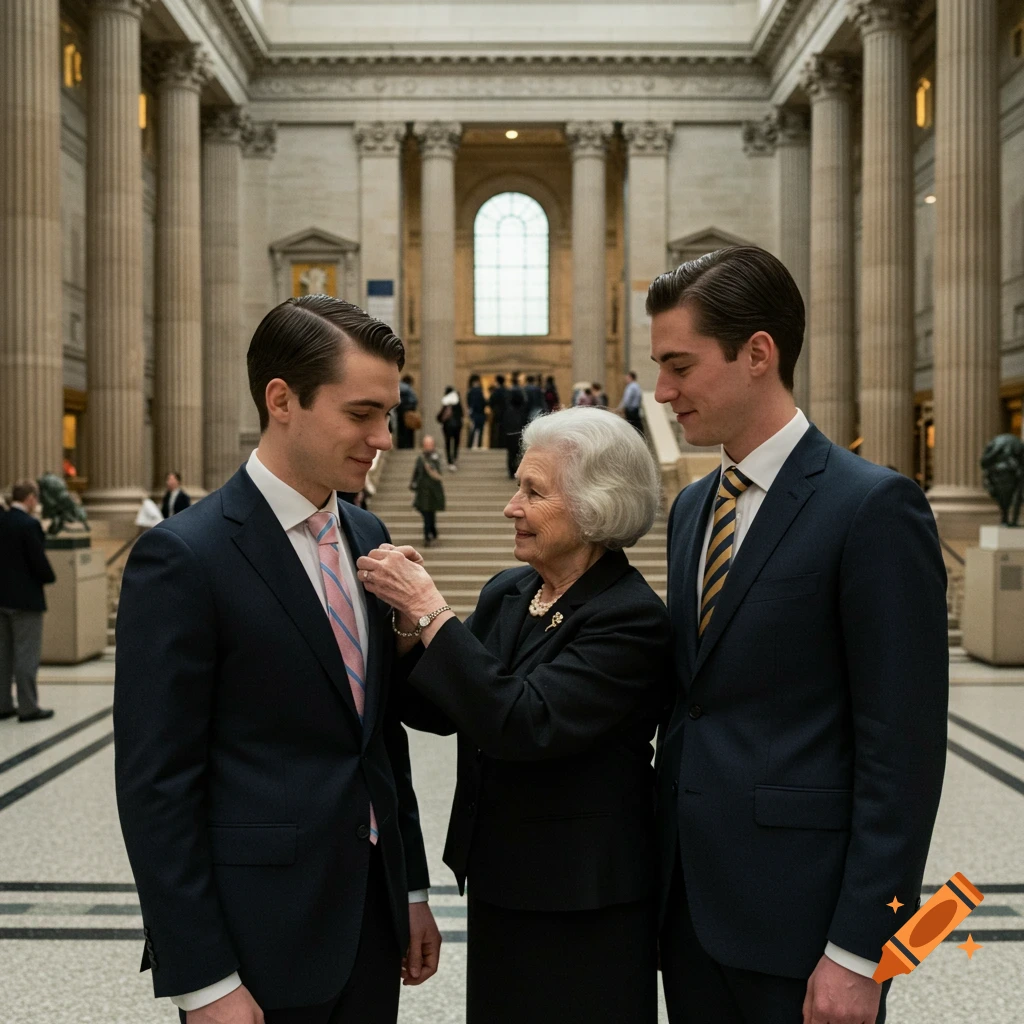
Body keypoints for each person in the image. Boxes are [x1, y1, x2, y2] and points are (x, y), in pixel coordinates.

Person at [114, 296, 441, 1024]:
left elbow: (378, 736)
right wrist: (203, 981)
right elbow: (156, 786)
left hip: (368, 922)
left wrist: (410, 889)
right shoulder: (183, 557)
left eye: (389, 413)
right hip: (254, 941)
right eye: (362, 414)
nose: (384, 436)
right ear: (282, 399)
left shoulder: (367, 531)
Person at [649, 246, 948, 1024]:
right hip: (690, 917)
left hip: (809, 932)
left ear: (757, 354)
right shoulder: (691, 510)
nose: (661, 391)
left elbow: (902, 754)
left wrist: (863, 950)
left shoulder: (874, 507)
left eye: (679, 365)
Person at [356, 407, 671, 1024]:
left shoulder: (630, 618)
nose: (511, 506)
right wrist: (403, 629)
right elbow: (442, 708)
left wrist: (430, 609)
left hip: (586, 901)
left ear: (594, 506)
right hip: (503, 877)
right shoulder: (511, 590)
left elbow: (524, 723)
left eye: (533, 491)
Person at [0, 481, 56, 723]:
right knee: (26, 656)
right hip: (26, 600)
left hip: (1, 599)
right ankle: (28, 707)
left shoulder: (1, 521)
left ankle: (3, 704)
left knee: (3, 656)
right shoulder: (29, 524)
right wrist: (49, 576)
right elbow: (38, 562)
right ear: (31, 498)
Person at [410, 436, 445, 547]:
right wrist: (413, 483)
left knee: (431, 513)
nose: (427, 447)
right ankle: (427, 536)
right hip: (423, 491)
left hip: (433, 490)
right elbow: (416, 471)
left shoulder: (436, 457)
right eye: (426, 444)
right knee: (425, 514)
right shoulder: (420, 458)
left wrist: (431, 465)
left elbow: (439, 472)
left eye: (429, 444)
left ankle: (432, 531)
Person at [502, 386, 528, 479]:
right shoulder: (522, 410)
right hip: (518, 432)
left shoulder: (508, 409)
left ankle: (511, 471)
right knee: (518, 453)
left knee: (511, 453)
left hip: (510, 433)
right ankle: (517, 470)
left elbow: (505, 422)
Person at [437, 386, 463, 470]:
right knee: (456, 443)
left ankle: (450, 461)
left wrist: (440, 418)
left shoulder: (447, 402)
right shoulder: (457, 402)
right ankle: (454, 458)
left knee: (448, 443)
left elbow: (441, 414)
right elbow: (462, 413)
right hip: (457, 425)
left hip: (447, 425)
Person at [396, 374, 419, 449]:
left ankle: (401, 446)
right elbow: (414, 400)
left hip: (399, 411)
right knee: (409, 430)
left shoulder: (398, 388)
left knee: (400, 430)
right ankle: (409, 446)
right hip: (408, 411)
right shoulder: (408, 389)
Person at [466, 375, 487, 449]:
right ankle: (478, 444)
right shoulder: (479, 391)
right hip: (480, 414)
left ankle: (469, 445)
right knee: (479, 430)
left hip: (474, 414)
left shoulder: (470, 391)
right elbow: (483, 402)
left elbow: (469, 403)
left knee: (473, 430)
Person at [487, 374, 507, 449]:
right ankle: (502, 444)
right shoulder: (506, 390)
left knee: (495, 429)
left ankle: (495, 444)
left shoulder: (496, 391)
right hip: (505, 413)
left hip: (497, 412)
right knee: (503, 429)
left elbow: (491, 402)